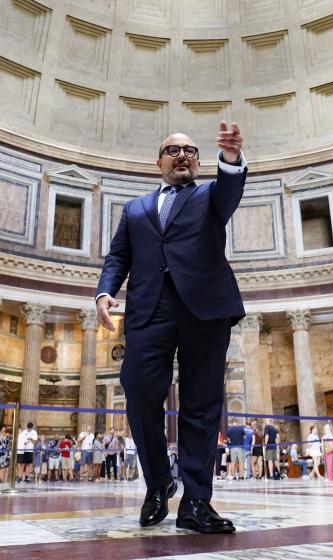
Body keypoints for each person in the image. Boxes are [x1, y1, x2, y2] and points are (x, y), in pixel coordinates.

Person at [95, 121, 245, 534]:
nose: (183, 156)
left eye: (190, 151)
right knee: (139, 390)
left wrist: (230, 159)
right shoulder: (136, 208)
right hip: (148, 310)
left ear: (198, 161)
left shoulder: (210, 195)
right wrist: (105, 292)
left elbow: (232, 187)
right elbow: (117, 257)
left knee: (202, 405)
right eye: (173, 150)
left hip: (206, 308)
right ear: (158, 162)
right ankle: (160, 480)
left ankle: (196, 503)